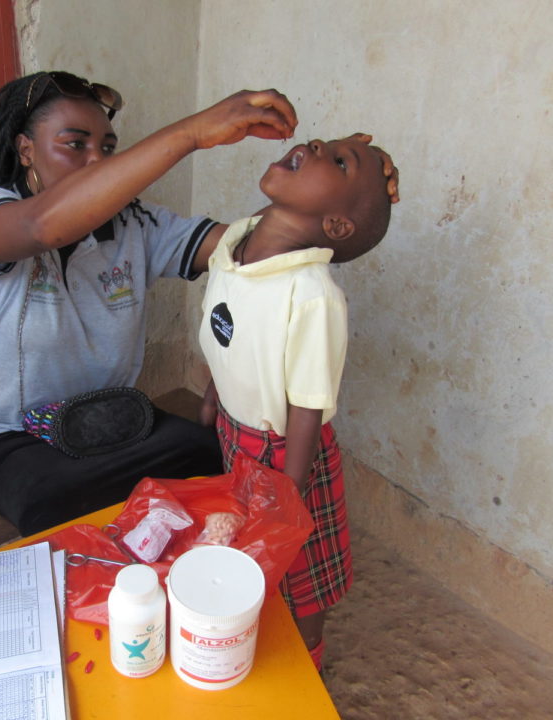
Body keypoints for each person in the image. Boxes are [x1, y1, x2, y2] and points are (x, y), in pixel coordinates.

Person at [0, 70, 307, 536]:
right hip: (10, 439)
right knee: (61, 508)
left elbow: (249, 247)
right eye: (75, 144)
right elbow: (43, 228)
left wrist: (331, 188)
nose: (96, 160)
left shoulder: (136, 224)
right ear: (25, 150)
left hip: (111, 421)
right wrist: (192, 133)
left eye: (108, 148)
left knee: (217, 462)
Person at [197, 133, 398, 671]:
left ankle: (307, 662)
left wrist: (291, 487)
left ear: (335, 226)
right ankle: (259, 627)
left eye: (338, 160)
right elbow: (227, 334)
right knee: (250, 544)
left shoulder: (312, 295)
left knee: (301, 564)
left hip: (288, 452)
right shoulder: (233, 251)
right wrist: (214, 393)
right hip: (236, 437)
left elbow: (308, 404)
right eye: (320, 142)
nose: (312, 146)